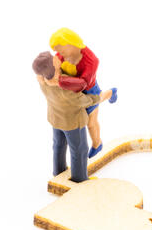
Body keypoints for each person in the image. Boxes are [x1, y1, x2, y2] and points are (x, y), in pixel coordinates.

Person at [32, 51, 113, 182]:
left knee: (58, 145)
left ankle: (58, 172)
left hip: (55, 120)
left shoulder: (43, 82)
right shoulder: (66, 87)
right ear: (53, 66)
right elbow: (84, 101)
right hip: (73, 123)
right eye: (53, 58)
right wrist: (99, 97)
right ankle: (80, 179)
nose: (56, 57)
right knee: (79, 149)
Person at [49, 27, 117, 158]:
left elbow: (83, 83)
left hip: (88, 91)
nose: (59, 54)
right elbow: (55, 65)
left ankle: (97, 144)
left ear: (70, 43)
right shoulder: (61, 55)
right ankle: (109, 93)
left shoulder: (91, 60)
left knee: (91, 122)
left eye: (61, 50)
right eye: (57, 51)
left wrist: (59, 81)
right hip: (71, 93)